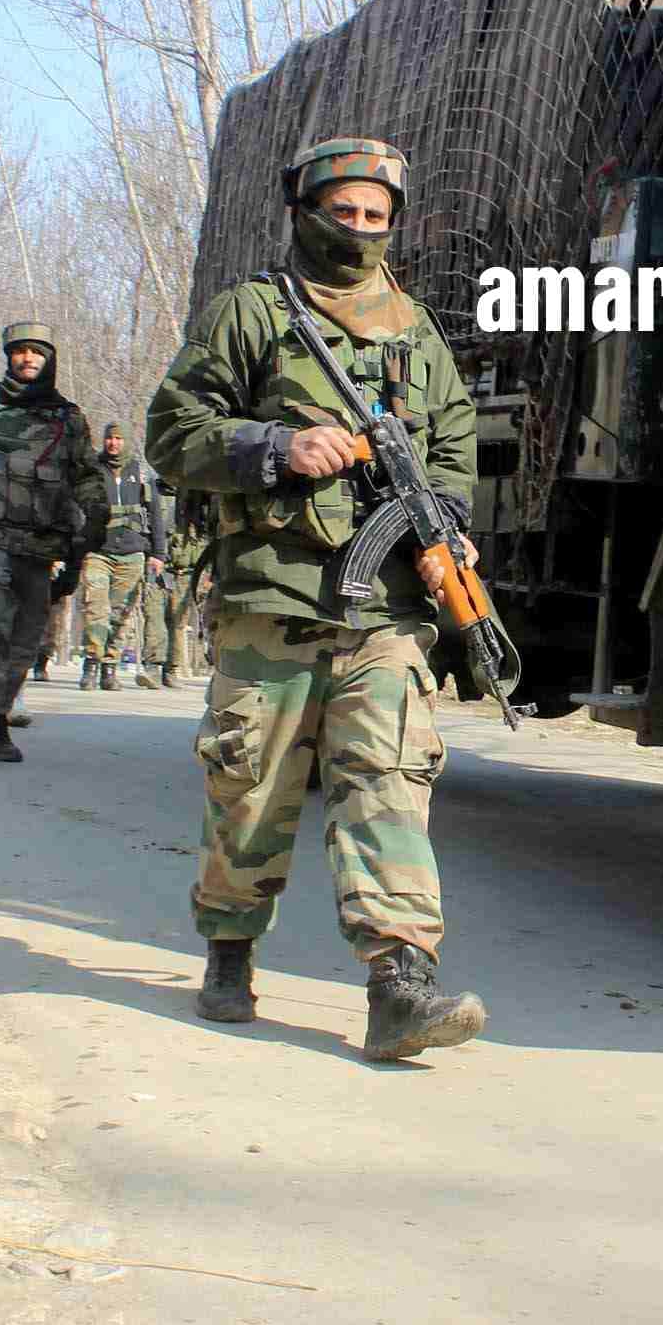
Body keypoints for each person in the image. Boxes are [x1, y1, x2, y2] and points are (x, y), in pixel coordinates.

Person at [147, 136, 487, 1060]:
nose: (362, 229)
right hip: (276, 594)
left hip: (383, 614)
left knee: (388, 781)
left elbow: (455, 454)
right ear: (305, 210)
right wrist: (275, 449)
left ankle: (398, 982)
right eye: (346, 211)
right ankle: (227, 947)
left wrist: (441, 531)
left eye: (378, 216)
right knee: (249, 789)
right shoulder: (252, 315)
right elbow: (172, 432)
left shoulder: (416, 333)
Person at [0, 322, 106, 765]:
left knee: (27, 640)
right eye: (20, 351)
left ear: (49, 360)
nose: (28, 359)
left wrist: (92, 530)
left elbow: (85, 476)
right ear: (8, 356)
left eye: (37, 352)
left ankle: (1, 716)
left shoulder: (68, 418)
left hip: (44, 547)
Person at [78, 424, 167, 690]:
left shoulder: (140, 474)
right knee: (96, 609)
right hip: (98, 551)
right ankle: (91, 664)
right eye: (109, 438)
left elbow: (156, 516)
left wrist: (158, 554)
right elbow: (75, 509)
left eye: (118, 438)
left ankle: (110, 666)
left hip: (132, 553)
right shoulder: (91, 470)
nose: (113, 443)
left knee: (121, 613)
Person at [157, 502, 209, 690]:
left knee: (178, 622)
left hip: (190, 571)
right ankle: (154, 666)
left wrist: (207, 574)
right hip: (163, 566)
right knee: (156, 618)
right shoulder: (162, 497)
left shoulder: (199, 500)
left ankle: (171, 668)